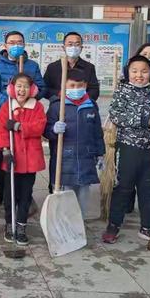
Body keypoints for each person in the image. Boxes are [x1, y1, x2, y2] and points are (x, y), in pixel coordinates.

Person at [102, 56, 150, 244]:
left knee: (148, 188)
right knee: (123, 187)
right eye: (134, 71)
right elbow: (117, 115)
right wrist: (147, 121)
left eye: (144, 71)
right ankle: (114, 224)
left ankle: (147, 226)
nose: (139, 75)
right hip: (128, 148)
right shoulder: (123, 91)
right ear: (128, 72)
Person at [0, 30, 46, 207]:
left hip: (26, 117)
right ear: (5, 46)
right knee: (3, 157)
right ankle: (2, 195)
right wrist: (11, 103)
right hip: (6, 117)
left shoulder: (32, 66)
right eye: (12, 42)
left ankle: (24, 197)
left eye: (19, 42)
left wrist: (26, 98)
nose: (16, 46)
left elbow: (41, 88)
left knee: (25, 158)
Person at [45, 69, 105, 219]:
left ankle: (80, 223)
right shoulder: (57, 106)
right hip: (64, 159)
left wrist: (100, 153)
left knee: (83, 193)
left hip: (86, 158)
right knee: (65, 195)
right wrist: (53, 129)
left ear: (85, 85)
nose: (76, 89)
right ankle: (64, 224)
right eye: (72, 85)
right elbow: (46, 130)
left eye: (79, 86)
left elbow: (97, 132)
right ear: (64, 86)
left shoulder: (90, 106)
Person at [0, 74, 46, 245]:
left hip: (30, 160)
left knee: (25, 195)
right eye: (18, 85)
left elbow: (39, 126)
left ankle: (21, 225)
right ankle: (9, 225)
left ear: (31, 89)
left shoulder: (37, 107)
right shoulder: (7, 107)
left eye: (25, 86)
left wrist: (18, 126)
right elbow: (2, 130)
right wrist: (5, 151)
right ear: (12, 87)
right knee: (9, 195)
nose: (21, 89)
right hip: (12, 158)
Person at [44, 32, 100, 101]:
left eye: (77, 44)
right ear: (63, 47)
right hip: (58, 106)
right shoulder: (53, 67)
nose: (73, 47)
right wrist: (59, 93)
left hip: (81, 107)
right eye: (70, 44)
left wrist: (82, 98)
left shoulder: (89, 67)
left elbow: (94, 91)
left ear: (81, 48)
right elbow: (45, 89)